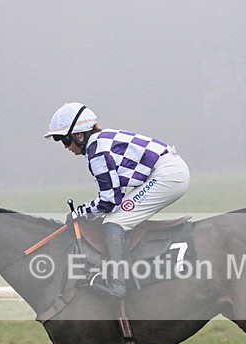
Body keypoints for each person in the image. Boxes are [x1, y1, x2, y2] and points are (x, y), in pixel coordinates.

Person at [44, 103, 190, 299]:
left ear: (79, 135)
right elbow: (115, 195)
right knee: (116, 216)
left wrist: (79, 212)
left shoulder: (97, 150)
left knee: (114, 222)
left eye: (64, 140)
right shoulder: (101, 141)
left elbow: (109, 201)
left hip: (168, 175)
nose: (65, 147)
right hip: (168, 169)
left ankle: (117, 285)